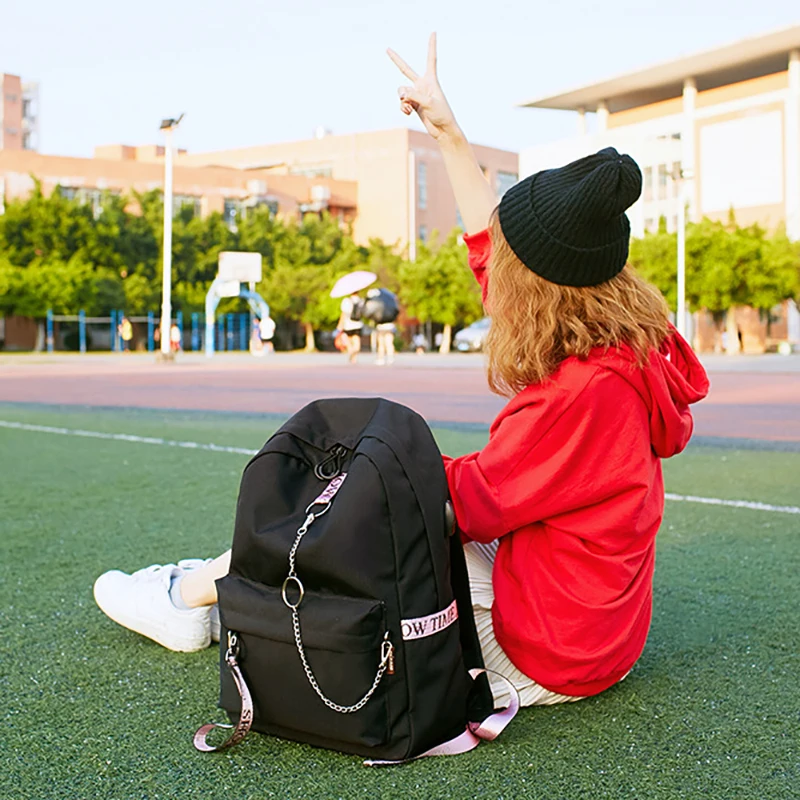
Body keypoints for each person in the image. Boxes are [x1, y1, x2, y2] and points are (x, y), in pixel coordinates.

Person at [92, 35, 709, 710]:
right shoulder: (618, 341)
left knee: (358, 508)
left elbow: (457, 504)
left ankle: (188, 598)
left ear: (541, 287)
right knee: (359, 501)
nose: (496, 267)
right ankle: (215, 586)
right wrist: (447, 133)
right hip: (584, 622)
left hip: (547, 652)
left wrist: (353, 477)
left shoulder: (586, 395)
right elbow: (491, 252)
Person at [336, 293, 363, 364]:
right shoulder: (361, 301)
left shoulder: (346, 301)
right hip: (358, 324)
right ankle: (354, 357)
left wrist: (340, 324)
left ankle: (351, 352)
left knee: (350, 342)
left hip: (348, 325)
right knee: (356, 341)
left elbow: (343, 314)